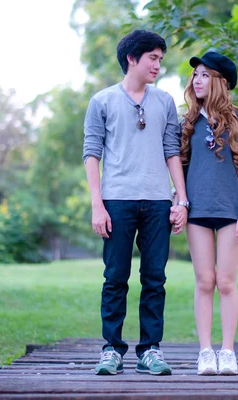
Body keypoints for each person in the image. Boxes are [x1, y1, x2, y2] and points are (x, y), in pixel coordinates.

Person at [82, 29, 189, 376]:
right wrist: (97, 205)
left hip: (158, 201)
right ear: (132, 58)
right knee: (115, 277)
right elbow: (91, 154)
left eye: (160, 58)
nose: (158, 64)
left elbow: (172, 151)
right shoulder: (102, 101)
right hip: (117, 201)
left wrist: (181, 199)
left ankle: (150, 350)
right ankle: (112, 349)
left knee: (155, 278)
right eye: (152, 58)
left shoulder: (165, 101)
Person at [172, 51, 238, 375]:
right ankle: (206, 351)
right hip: (197, 211)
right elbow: (179, 167)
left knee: (226, 281)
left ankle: (228, 351)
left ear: (220, 82)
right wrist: (178, 202)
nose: (197, 80)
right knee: (204, 281)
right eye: (195, 75)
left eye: (205, 75)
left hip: (230, 212)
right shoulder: (187, 123)